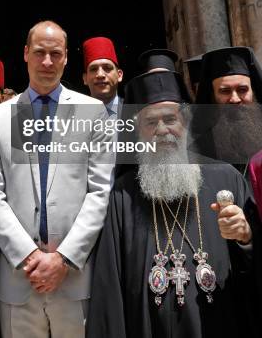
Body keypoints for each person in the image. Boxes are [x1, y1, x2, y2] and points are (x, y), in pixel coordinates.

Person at [87, 69, 258, 338]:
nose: (162, 130)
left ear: (186, 122)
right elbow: (109, 286)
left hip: (219, 324)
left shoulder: (227, 178)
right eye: (150, 122)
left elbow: (252, 269)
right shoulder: (124, 193)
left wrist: (246, 238)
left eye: (170, 119)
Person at [0, 20, 113, 338]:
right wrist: (28, 255)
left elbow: (99, 191)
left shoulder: (92, 113)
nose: (47, 62)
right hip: (17, 278)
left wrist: (63, 259)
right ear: (25, 54)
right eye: (40, 53)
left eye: (56, 53)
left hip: (73, 279)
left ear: (66, 57)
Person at [193, 47, 262, 172]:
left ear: (253, 92)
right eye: (225, 91)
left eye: (242, 90)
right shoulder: (199, 148)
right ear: (213, 96)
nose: (234, 99)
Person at [82, 36, 123, 116]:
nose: (100, 74)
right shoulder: (72, 116)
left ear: (119, 75)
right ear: (85, 78)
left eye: (107, 68)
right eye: (93, 69)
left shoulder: (137, 112)